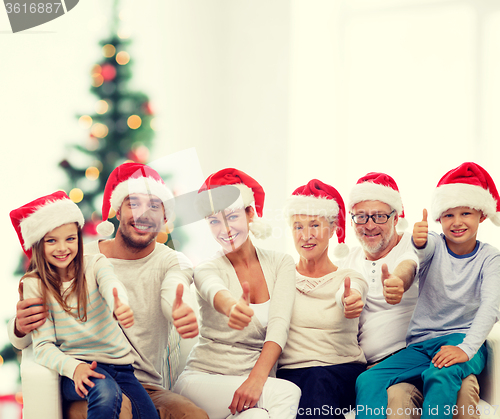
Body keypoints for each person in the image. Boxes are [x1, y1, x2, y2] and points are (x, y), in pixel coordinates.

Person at [9, 162, 208, 419]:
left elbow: (175, 287)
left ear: (165, 217)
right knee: (117, 408)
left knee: (193, 416)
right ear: (117, 209)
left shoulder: (170, 261)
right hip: (87, 379)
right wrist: (19, 326)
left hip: (143, 385)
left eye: (154, 206)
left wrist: (179, 309)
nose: (143, 214)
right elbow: (27, 338)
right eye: (133, 203)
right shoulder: (78, 255)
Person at [355, 162, 500, 419]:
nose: (456, 222)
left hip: (463, 341)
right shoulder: (433, 242)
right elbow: (417, 255)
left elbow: (491, 307)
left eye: (465, 213)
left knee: (440, 374)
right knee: (368, 379)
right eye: (448, 215)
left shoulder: (491, 258)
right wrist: (414, 250)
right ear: (438, 219)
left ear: (482, 215)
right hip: (422, 346)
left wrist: (466, 348)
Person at [9, 191, 158, 419]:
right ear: (38, 244)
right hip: (77, 367)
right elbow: (43, 346)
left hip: (122, 368)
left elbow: (111, 284)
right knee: (105, 393)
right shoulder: (35, 284)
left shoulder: (95, 263)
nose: (62, 248)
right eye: (51, 241)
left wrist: (119, 302)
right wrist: (74, 368)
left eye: (70, 239)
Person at [173, 168, 301, 419]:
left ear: (250, 213)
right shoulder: (208, 268)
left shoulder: (281, 263)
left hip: (250, 385)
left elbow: (279, 326)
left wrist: (255, 379)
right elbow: (214, 290)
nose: (224, 229)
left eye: (231, 217)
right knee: (287, 393)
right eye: (214, 221)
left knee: (259, 417)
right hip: (203, 380)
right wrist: (232, 306)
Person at [276, 179, 368, 418]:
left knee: (317, 383)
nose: (306, 236)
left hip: (341, 370)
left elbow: (351, 293)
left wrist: (349, 300)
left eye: (314, 225)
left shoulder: (349, 277)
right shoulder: (280, 278)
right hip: (292, 373)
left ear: (333, 229)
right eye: (298, 227)